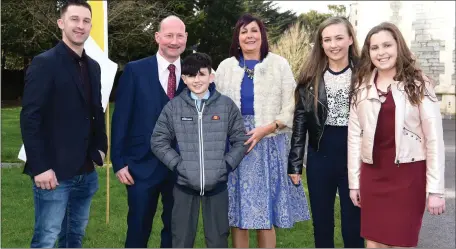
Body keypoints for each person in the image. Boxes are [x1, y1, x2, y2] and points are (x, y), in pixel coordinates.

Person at [215, 14, 310, 248]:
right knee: (238, 211)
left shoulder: (279, 64)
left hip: (269, 143)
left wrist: (268, 128)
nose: (249, 35)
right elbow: (214, 104)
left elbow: (292, 105)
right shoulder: (226, 67)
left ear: (262, 35)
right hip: (235, 147)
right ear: (237, 38)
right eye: (244, 31)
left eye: (254, 30)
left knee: (265, 212)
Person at [347, 22, 446, 248]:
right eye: (374, 48)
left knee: (402, 243)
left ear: (398, 46)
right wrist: (354, 183)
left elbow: (434, 140)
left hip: (408, 177)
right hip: (372, 176)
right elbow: (354, 138)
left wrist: (436, 189)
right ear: (368, 52)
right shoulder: (361, 87)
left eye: (387, 45)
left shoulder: (419, 85)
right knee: (372, 243)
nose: (381, 52)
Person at [19, 0, 107, 247]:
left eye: (86, 21)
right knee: (46, 238)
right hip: (53, 173)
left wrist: (100, 148)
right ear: (61, 23)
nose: (81, 26)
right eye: (74, 19)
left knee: (74, 236)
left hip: (86, 172)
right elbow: (30, 117)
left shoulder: (93, 67)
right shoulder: (44, 63)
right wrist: (40, 167)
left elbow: (96, 111)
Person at [151, 52, 249, 248]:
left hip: (217, 186)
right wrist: (178, 166)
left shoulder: (226, 106)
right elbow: (158, 140)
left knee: (218, 240)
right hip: (184, 186)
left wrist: (226, 165)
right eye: (191, 76)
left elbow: (241, 141)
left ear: (211, 77)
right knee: (181, 239)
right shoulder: (174, 107)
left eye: (202, 74)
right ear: (184, 79)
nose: (197, 80)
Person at [110, 15, 187, 248]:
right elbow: (121, 118)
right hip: (140, 165)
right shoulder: (135, 71)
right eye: (169, 35)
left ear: (186, 38)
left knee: (176, 230)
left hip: (182, 167)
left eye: (179, 36)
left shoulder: (197, 72)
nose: (174, 41)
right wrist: (119, 160)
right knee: (138, 228)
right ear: (157, 37)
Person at [288, 16, 364, 248]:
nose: (334, 44)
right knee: (322, 223)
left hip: (355, 156)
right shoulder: (311, 78)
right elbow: (300, 121)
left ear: (350, 39)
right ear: (321, 44)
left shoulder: (366, 74)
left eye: (339, 38)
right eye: (327, 39)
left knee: (353, 225)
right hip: (320, 156)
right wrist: (295, 164)